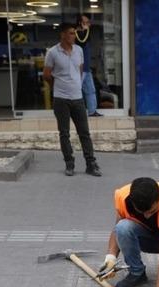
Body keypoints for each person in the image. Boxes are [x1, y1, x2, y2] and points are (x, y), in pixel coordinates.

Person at [43, 23, 102, 177]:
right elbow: (47, 75)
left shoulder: (79, 50)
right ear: (62, 35)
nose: (74, 36)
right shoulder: (52, 52)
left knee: (84, 133)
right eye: (70, 33)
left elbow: (79, 70)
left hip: (78, 98)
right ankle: (69, 164)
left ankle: (91, 164)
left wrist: (75, 85)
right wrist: (57, 87)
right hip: (61, 99)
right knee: (64, 133)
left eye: (74, 33)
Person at [76, 13, 101, 117]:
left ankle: (92, 111)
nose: (88, 24)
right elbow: (81, 41)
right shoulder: (77, 34)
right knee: (76, 91)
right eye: (85, 22)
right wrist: (85, 30)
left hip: (86, 69)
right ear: (80, 23)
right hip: (79, 69)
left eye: (88, 22)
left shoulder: (85, 34)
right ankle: (75, 112)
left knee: (91, 90)